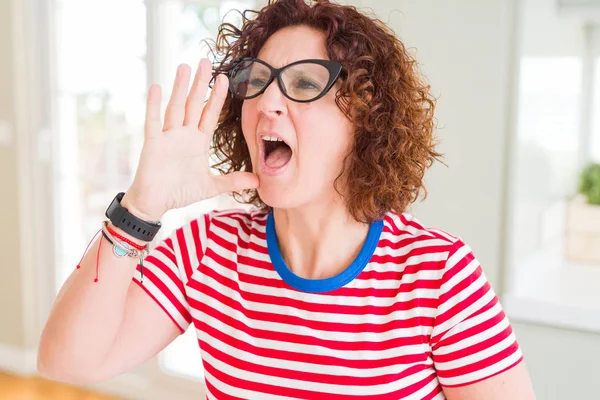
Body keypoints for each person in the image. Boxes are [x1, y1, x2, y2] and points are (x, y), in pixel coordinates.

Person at [37, 0, 536, 399]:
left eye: (304, 83)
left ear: (365, 117)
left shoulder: (438, 272)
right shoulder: (207, 250)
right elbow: (66, 360)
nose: (268, 101)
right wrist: (140, 207)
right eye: (257, 80)